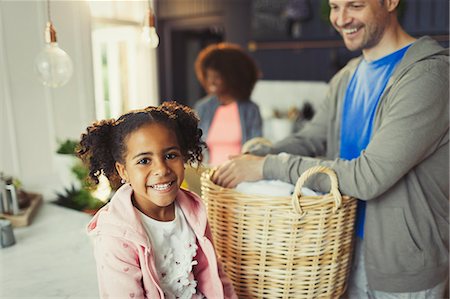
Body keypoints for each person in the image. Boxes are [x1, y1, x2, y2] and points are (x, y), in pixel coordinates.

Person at [212, 0, 449, 297]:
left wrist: (266, 166)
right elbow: (312, 137)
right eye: (335, 7)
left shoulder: (428, 76)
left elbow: (369, 176)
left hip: (403, 264)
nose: (341, 18)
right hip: (342, 250)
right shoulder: (348, 75)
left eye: (355, 5)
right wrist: (253, 158)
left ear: (390, 2)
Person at [78, 101, 237, 298]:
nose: (162, 169)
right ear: (123, 170)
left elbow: (214, 275)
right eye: (144, 161)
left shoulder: (193, 209)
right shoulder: (115, 235)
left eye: (171, 155)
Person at [194, 42, 263, 166]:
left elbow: (256, 148)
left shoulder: (250, 110)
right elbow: (195, 144)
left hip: (239, 175)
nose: (212, 81)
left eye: (217, 76)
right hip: (208, 175)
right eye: (209, 75)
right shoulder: (202, 107)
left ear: (233, 77)